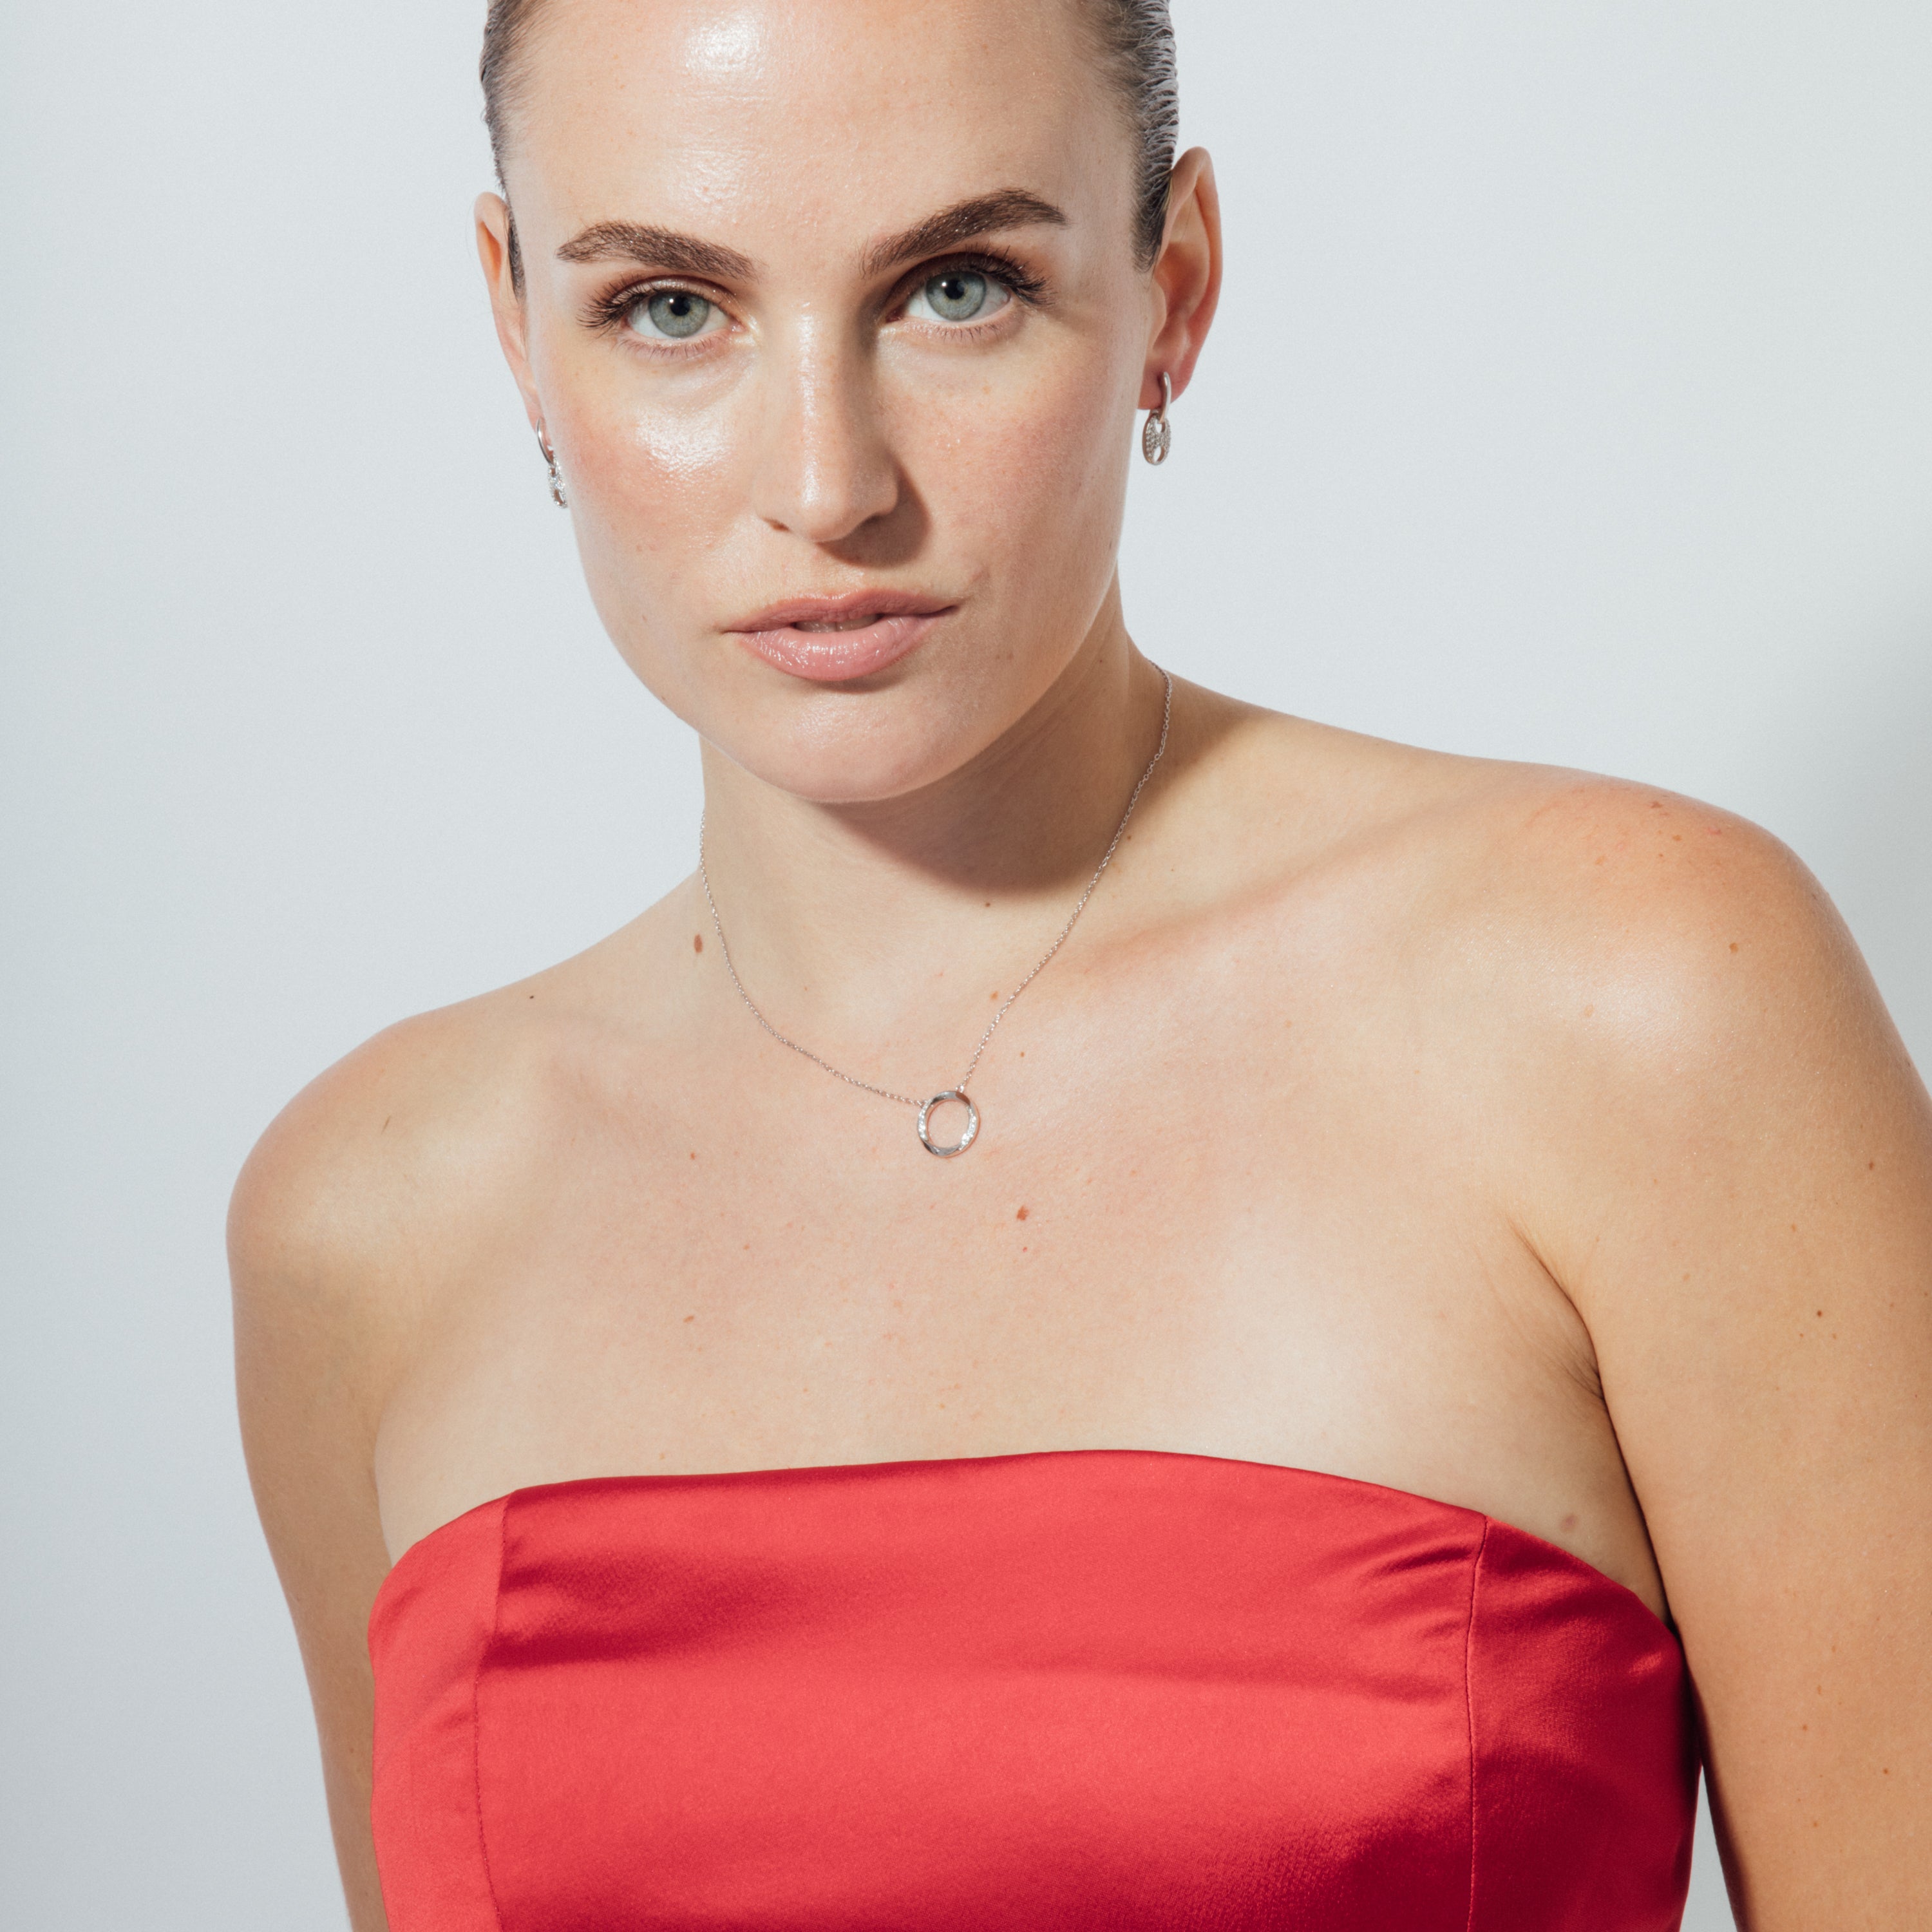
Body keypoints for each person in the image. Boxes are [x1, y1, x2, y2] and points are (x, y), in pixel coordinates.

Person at [229, 1, 1931, 1926]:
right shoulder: (368, 1219)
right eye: (671, 309)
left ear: (1172, 288)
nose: (829, 483)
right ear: (515, 325)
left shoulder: (1631, 1001)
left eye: (957, 288)